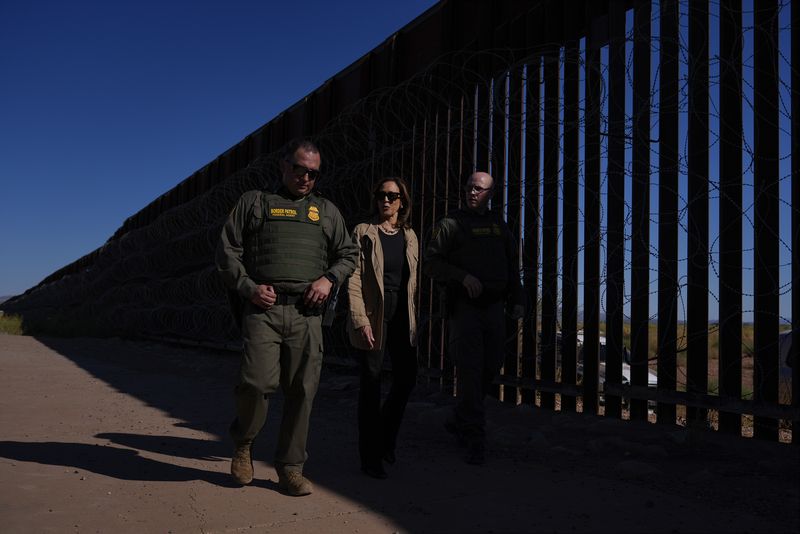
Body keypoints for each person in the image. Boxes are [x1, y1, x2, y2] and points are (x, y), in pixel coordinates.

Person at [216, 139, 358, 495]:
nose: (306, 178)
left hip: (307, 313)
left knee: (302, 392)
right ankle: (244, 444)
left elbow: (348, 254)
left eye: (313, 173)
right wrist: (248, 287)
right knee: (256, 383)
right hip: (263, 308)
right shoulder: (255, 203)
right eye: (300, 169)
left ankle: (290, 467)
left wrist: (328, 279)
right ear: (283, 166)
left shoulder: (326, 211)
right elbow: (227, 250)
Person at [423, 171, 524, 465]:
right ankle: (474, 437)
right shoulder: (450, 224)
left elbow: (511, 266)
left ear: (491, 194)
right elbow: (431, 262)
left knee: (491, 366)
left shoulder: (498, 226)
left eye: (479, 189)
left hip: (494, 308)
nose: (472, 192)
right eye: (469, 187)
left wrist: (518, 298)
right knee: (469, 370)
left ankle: (459, 417)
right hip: (465, 308)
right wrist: (461, 276)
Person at [347, 177, 419, 479]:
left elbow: (412, 282)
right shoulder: (364, 232)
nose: (386, 200)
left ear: (402, 201)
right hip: (374, 311)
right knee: (371, 384)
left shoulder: (410, 236)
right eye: (381, 195)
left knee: (406, 379)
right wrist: (360, 319)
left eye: (392, 195)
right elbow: (353, 277)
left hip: (402, 312)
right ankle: (370, 456)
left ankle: (386, 437)